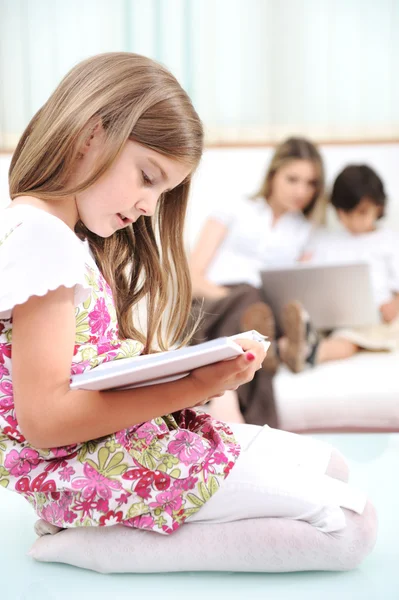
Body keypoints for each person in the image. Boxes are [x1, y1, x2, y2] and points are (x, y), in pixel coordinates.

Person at [0, 53, 376, 571]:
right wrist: (195, 387)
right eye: (148, 177)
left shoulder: (59, 236)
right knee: (351, 529)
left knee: (334, 468)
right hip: (86, 468)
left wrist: (188, 373)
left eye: (164, 190)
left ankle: (109, 525)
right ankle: (93, 543)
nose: (151, 206)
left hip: (110, 449)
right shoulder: (42, 236)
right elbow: (44, 423)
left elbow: (79, 372)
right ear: (90, 136)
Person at [189, 137, 326, 424]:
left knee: (258, 319)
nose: (301, 190)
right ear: (273, 175)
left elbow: (296, 292)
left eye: (311, 183)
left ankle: (237, 396)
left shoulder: (305, 232)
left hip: (262, 315)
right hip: (211, 306)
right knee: (252, 301)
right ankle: (271, 353)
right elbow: (192, 275)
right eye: (293, 179)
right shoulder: (234, 208)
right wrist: (238, 297)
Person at [279, 164, 399, 372]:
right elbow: (312, 279)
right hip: (332, 316)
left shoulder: (389, 240)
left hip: (375, 318)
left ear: (378, 207)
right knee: (310, 325)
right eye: (345, 213)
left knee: (349, 339)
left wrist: (395, 302)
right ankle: (286, 346)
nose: (353, 221)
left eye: (362, 212)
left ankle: (314, 352)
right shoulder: (326, 241)